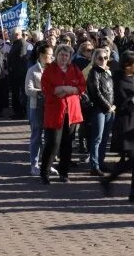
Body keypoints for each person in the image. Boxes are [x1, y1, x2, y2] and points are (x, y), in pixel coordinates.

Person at [100, 51, 134, 204]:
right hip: (127, 127)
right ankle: (126, 188)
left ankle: (131, 191)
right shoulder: (120, 81)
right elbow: (123, 106)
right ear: (128, 65)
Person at [39, 44, 86, 184]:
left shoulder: (75, 69)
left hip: (71, 112)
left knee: (67, 143)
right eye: (61, 55)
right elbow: (46, 88)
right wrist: (60, 89)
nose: (64, 58)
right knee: (53, 143)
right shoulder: (50, 70)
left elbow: (82, 86)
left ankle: (64, 172)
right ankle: (45, 172)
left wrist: (67, 89)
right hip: (55, 112)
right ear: (56, 55)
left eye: (67, 55)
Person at [25, 43, 54, 176]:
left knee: (50, 137)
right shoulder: (32, 70)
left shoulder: (55, 69)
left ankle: (48, 163)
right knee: (36, 136)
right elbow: (28, 90)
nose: (51, 57)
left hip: (51, 107)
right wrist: (42, 92)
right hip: (36, 106)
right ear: (42, 56)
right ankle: (34, 165)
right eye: (49, 55)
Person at [86, 48, 115, 176]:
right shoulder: (94, 72)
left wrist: (112, 106)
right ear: (95, 59)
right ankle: (94, 165)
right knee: (97, 138)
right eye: (100, 58)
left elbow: (112, 90)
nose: (103, 60)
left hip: (110, 109)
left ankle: (101, 162)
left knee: (104, 138)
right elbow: (95, 92)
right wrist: (107, 106)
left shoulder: (108, 72)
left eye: (106, 57)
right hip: (99, 109)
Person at [8, 28, 29, 119]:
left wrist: (14, 67)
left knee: (19, 93)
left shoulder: (21, 43)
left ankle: (20, 112)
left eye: (13, 34)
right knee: (16, 93)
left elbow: (21, 58)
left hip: (19, 73)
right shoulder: (16, 43)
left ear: (17, 34)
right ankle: (17, 111)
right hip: (15, 73)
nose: (11, 36)